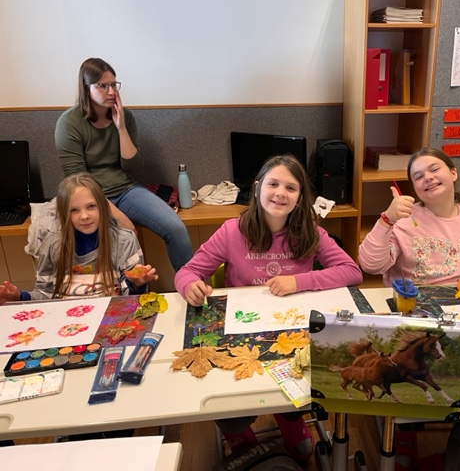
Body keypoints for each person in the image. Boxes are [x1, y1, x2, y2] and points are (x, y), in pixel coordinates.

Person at [175, 154, 363, 462]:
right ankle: (238, 434)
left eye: (291, 188)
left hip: (289, 327)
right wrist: (190, 286)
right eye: (273, 184)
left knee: (300, 382)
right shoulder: (232, 231)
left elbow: (351, 271)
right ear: (257, 187)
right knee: (226, 392)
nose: (280, 193)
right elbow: (188, 272)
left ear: (300, 197)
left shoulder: (310, 231)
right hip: (240, 331)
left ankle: (290, 421)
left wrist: (299, 281)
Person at [55, 57, 193, 272]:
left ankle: (191, 285)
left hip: (126, 190)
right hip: (89, 197)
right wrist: (118, 216)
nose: (111, 92)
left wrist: (120, 128)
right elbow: (78, 180)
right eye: (103, 86)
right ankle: (129, 290)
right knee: (117, 243)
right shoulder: (69, 123)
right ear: (86, 87)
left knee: (176, 228)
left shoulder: (124, 116)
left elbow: (133, 167)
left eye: (114, 85)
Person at [358, 148, 460, 290]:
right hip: (413, 301)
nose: (428, 177)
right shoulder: (405, 220)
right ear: (415, 188)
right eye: (418, 177)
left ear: (453, 173)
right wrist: (387, 219)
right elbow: (370, 265)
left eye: (434, 169)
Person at [0, 173, 157, 304]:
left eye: (91, 206)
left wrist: (136, 285)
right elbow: (44, 294)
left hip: (109, 318)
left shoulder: (124, 241)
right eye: (74, 210)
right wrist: (20, 297)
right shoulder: (52, 245)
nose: (84, 216)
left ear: (103, 206)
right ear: (64, 213)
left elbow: (131, 301)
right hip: (65, 321)